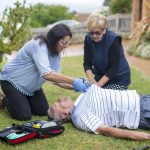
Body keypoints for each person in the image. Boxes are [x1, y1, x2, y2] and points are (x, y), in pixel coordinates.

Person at [0, 24, 87, 121]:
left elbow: (58, 80)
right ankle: (5, 100)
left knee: (42, 111)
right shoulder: (38, 46)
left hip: (31, 87)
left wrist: (78, 87)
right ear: (54, 40)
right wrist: (74, 80)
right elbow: (48, 75)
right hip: (11, 81)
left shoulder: (56, 54)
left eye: (68, 43)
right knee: (24, 115)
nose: (66, 46)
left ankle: (21, 99)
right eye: (63, 43)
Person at [48, 84, 150, 140]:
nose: (60, 99)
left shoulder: (80, 99)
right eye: (58, 103)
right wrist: (139, 136)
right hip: (142, 112)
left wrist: (57, 81)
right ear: (65, 114)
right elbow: (105, 130)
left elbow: (73, 83)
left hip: (142, 98)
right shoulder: (79, 116)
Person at [83, 12, 131, 90]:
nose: (94, 36)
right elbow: (87, 63)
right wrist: (92, 81)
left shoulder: (113, 39)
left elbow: (113, 68)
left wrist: (98, 85)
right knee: (91, 94)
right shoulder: (88, 39)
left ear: (104, 30)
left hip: (118, 78)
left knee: (105, 99)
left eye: (98, 33)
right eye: (91, 33)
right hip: (100, 75)